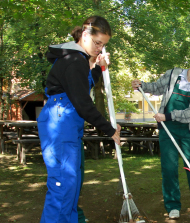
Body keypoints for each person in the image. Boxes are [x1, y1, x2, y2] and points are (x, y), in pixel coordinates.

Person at [37, 16, 121, 223]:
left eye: (103, 45)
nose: (99, 48)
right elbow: (83, 103)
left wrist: (99, 68)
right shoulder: (74, 61)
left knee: (71, 186)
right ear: (85, 35)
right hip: (60, 122)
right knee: (63, 185)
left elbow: (83, 87)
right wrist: (109, 129)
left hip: (66, 121)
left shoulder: (78, 61)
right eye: (97, 43)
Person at [131, 53, 190, 219]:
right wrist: (141, 84)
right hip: (167, 130)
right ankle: (173, 205)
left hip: (189, 131)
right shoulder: (173, 75)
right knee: (169, 168)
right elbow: (156, 88)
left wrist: (168, 116)